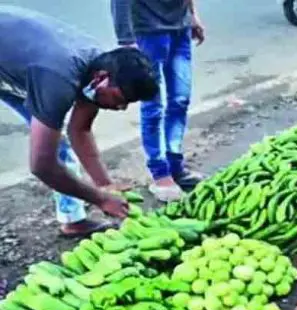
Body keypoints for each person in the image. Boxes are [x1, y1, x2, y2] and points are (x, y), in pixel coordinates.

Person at [0, 6, 159, 237]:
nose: (121, 108)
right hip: (34, 66)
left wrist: (105, 186)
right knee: (51, 149)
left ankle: (73, 221)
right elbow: (41, 166)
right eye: (121, 99)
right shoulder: (59, 79)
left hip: (18, 61)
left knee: (57, 142)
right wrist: (100, 199)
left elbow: (80, 129)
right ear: (101, 78)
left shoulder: (98, 71)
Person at [111, 0, 206, 201]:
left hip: (181, 26)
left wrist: (193, 15)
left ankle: (175, 165)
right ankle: (160, 173)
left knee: (180, 100)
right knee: (153, 105)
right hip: (149, 30)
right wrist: (126, 41)